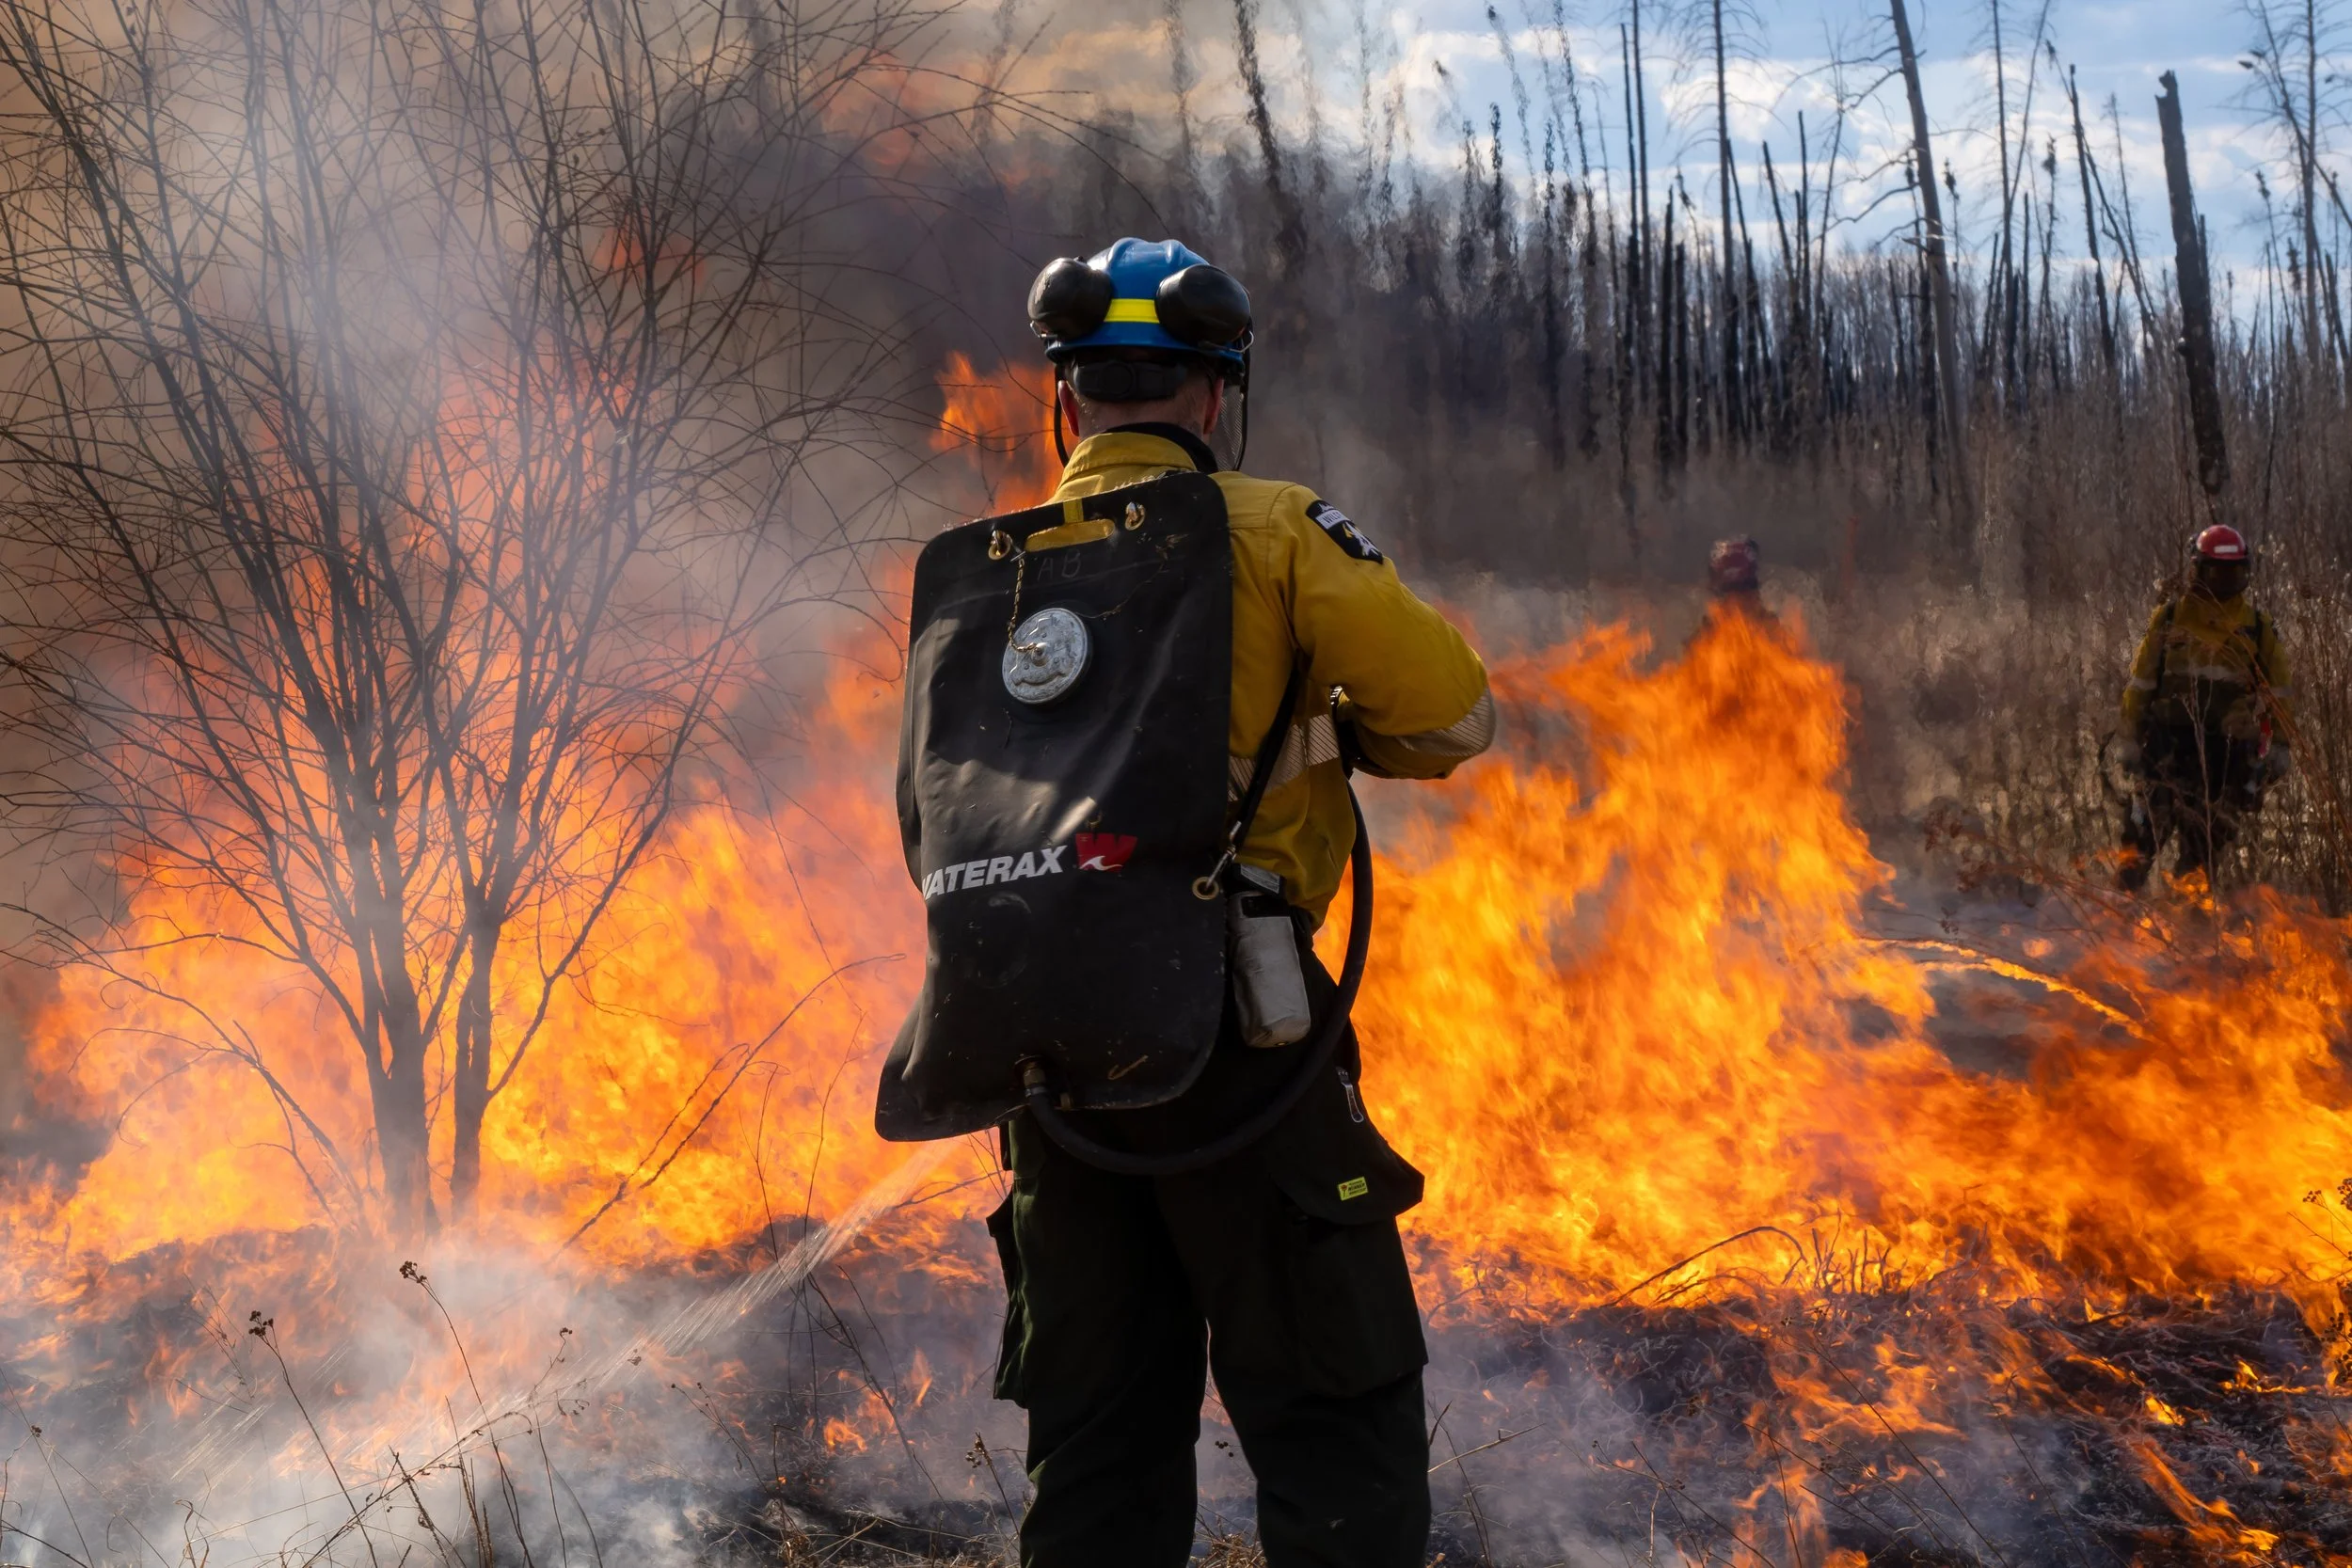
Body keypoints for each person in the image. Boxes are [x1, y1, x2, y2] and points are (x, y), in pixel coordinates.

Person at [985, 238, 1493, 1568]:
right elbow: (1453, 713)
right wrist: (1326, 724)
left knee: (1093, 1444)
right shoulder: (1270, 528)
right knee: (1336, 1417)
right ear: (1216, 395)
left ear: (1067, 398)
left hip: (1050, 1049)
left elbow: (941, 821)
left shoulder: (996, 568)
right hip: (1237, 1037)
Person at [2117, 523, 2294, 893]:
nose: (2225, 583)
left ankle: (2188, 923)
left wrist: (2280, 745)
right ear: (2197, 571)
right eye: (2217, 573)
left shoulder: (2256, 628)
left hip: (2227, 758)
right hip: (2165, 748)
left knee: (2202, 853)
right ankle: (2117, 912)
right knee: (2140, 836)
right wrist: (2130, 739)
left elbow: (2280, 692)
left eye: (2234, 574)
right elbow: (2141, 683)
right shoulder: (2170, 619)